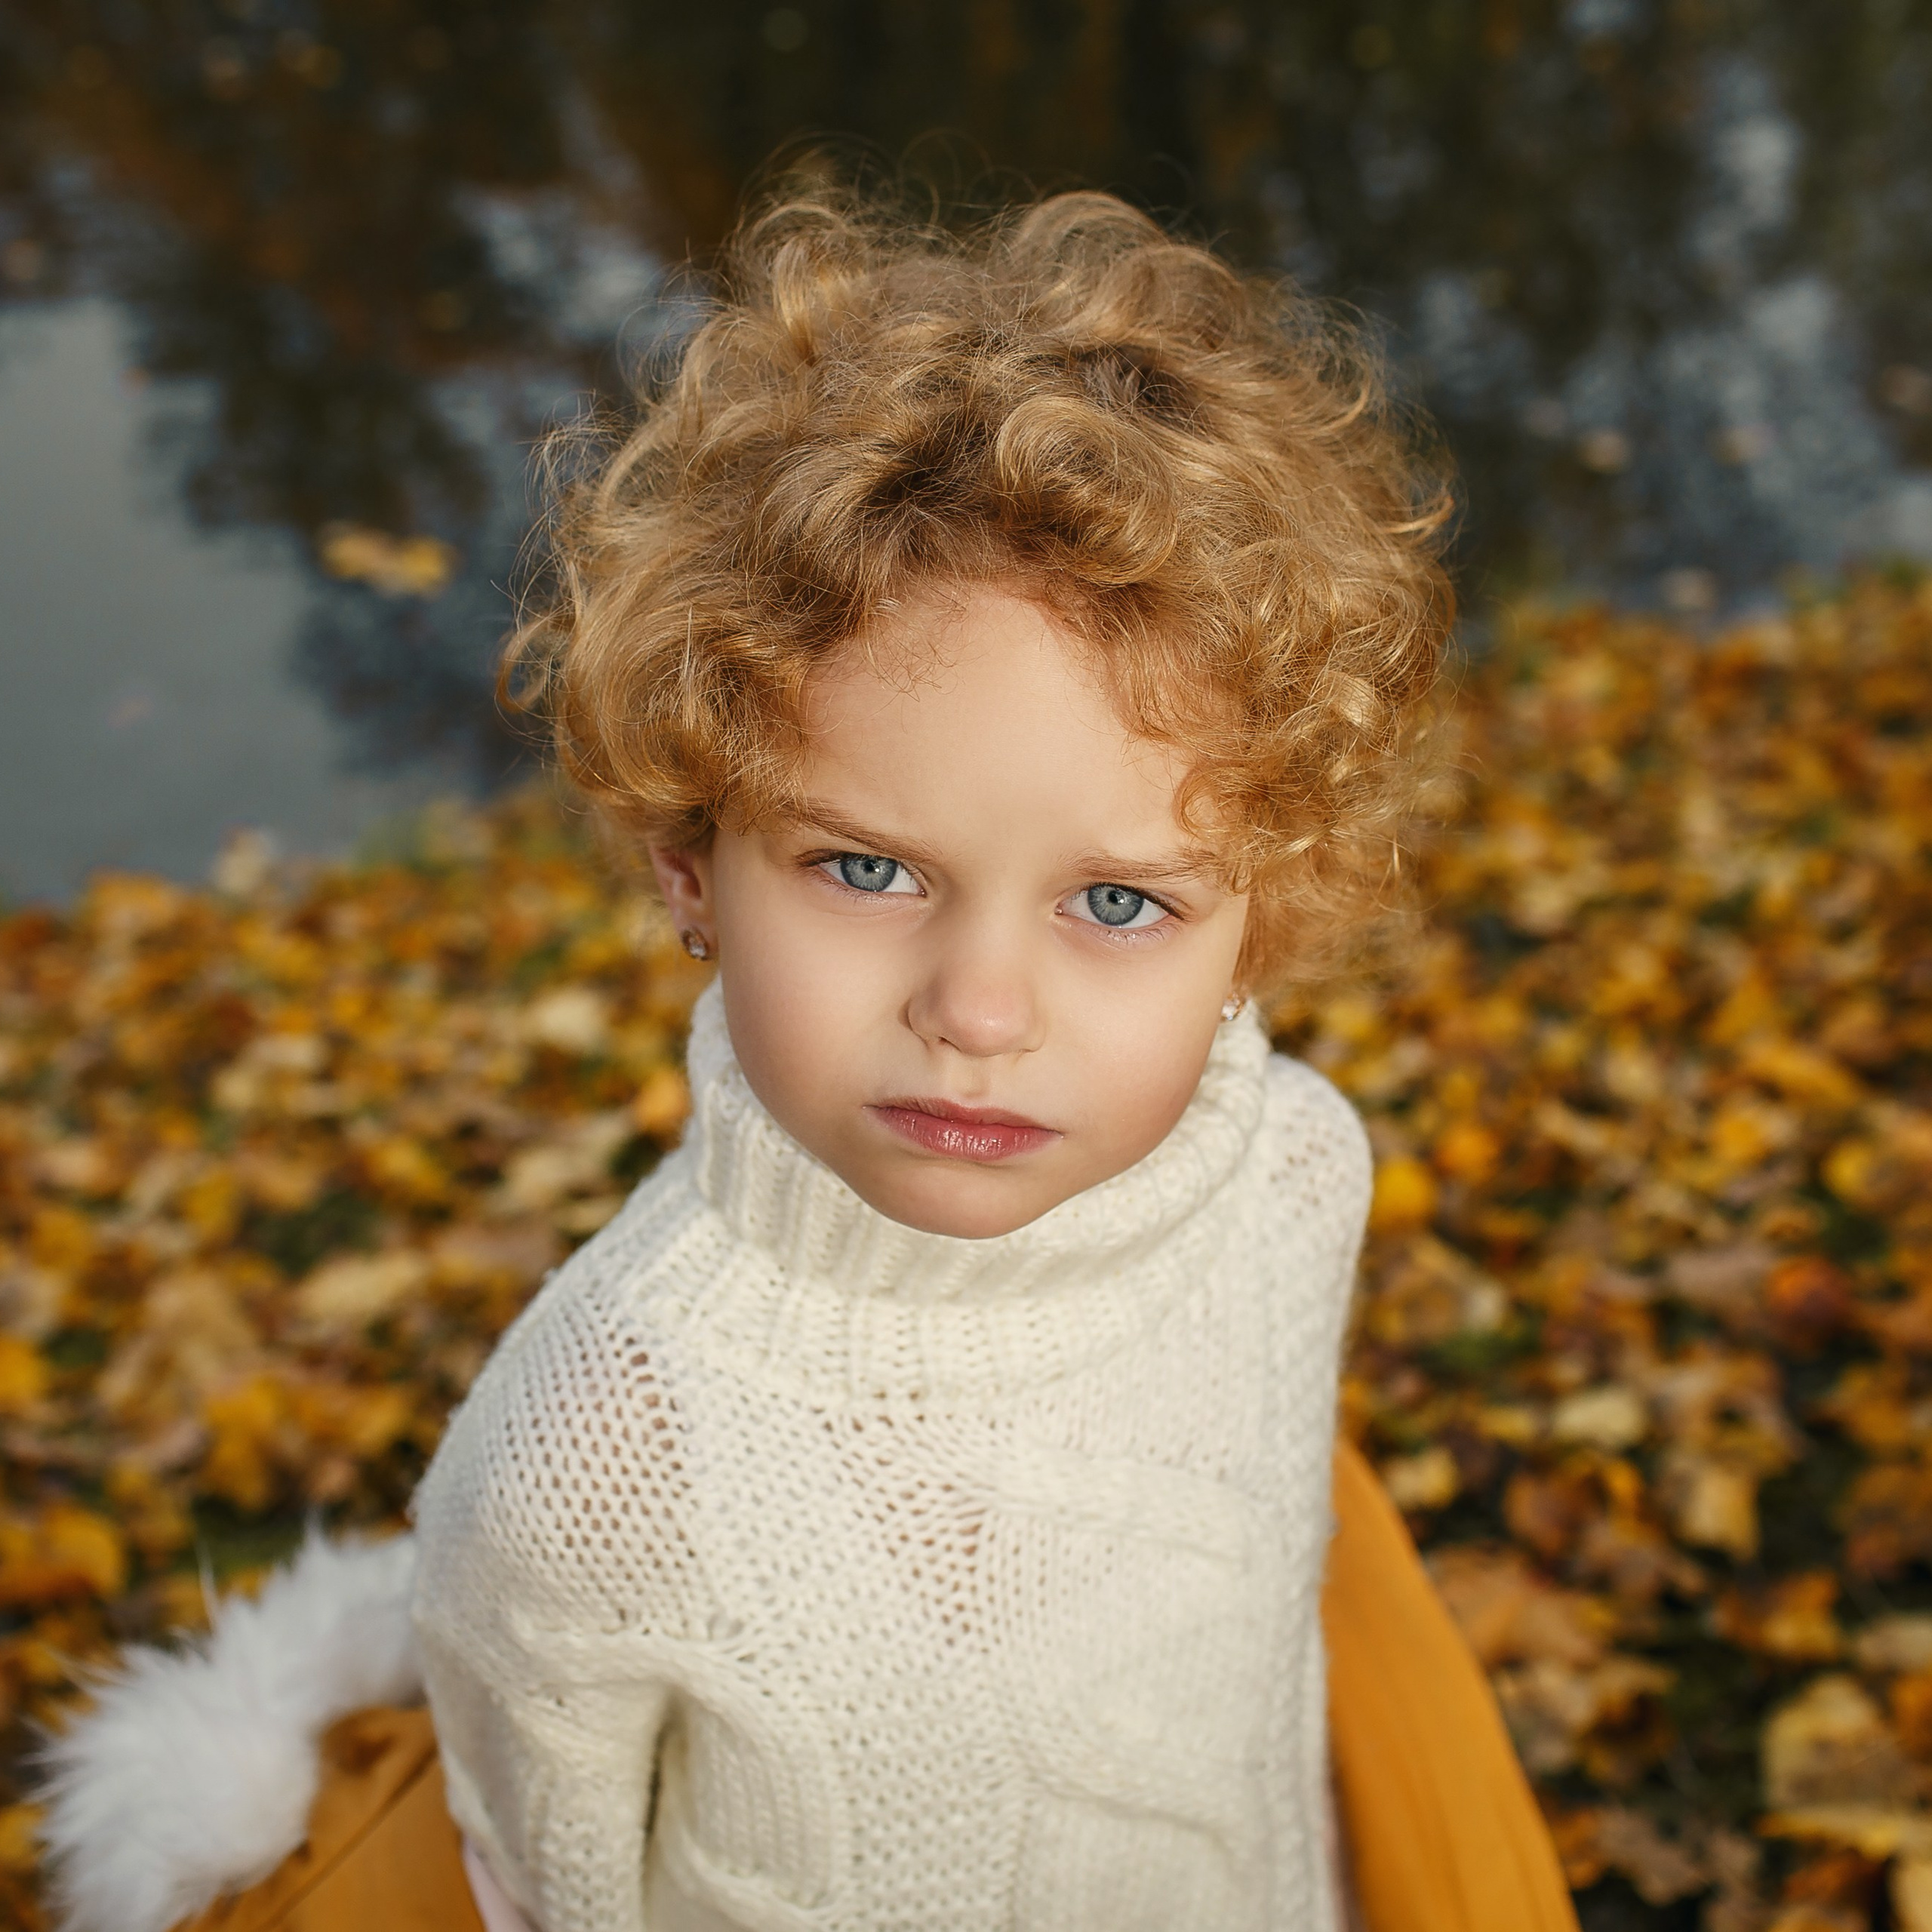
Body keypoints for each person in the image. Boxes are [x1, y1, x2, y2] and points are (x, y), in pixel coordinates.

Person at [38, 183, 1577, 1932]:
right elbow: (556, 1893)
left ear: (1267, 914)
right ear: (689, 862)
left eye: (1119, 902)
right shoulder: (589, 1467)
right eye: (865, 867)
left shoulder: (1292, 1173)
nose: (979, 1010)